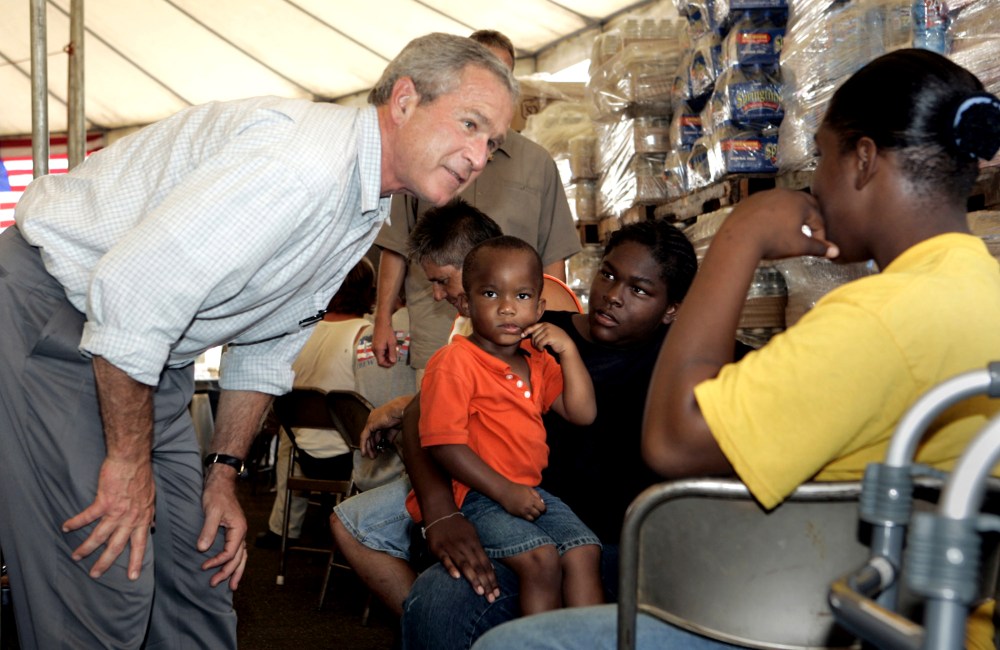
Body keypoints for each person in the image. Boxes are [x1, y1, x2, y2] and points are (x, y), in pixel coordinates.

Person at [0, 32, 516, 650]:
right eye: (469, 124)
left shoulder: (361, 200)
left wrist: (221, 475)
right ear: (404, 100)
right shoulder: (300, 165)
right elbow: (131, 290)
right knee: (108, 578)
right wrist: (127, 463)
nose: (479, 155)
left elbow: (268, 345)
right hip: (56, 321)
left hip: (144, 353)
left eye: (492, 142)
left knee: (202, 573)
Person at [471, 48, 1000, 650]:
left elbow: (672, 443)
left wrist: (739, 236)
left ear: (862, 160)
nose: (815, 185)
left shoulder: (879, 320)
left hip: (840, 624)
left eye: (820, 159)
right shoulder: (983, 290)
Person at [401, 219, 717, 649]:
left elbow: (581, 411)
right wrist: (441, 513)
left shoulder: (698, 363)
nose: (613, 297)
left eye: (640, 291)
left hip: (612, 542)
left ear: (672, 308)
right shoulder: (528, 332)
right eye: (607, 274)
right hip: (510, 511)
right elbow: (429, 415)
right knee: (441, 597)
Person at [371, 29, 581, 378]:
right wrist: (382, 320)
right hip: (436, 328)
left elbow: (552, 259)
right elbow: (395, 246)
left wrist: (551, 327)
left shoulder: (538, 162)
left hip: (512, 339)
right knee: (438, 421)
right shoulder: (425, 149)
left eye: (503, 75)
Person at [330, 198, 505, 617]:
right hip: (459, 468)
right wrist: (403, 406)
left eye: (443, 281)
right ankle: (428, 624)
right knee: (348, 521)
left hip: (491, 476)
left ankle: (435, 625)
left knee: (357, 523)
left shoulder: (511, 315)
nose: (439, 295)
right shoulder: (465, 323)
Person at [410, 236, 600, 616]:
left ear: (541, 307)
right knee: (541, 561)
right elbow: (442, 445)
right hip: (479, 495)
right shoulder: (455, 362)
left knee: (584, 551)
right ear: (465, 304)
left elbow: (583, 413)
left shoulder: (538, 361)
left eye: (523, 296)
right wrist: (505, 490)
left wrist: (569, 351)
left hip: (527, 490)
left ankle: (585, 642)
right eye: (492, 294)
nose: (509, 308)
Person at [255, 259, 376, 550]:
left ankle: (282, 528)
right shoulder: (367, 334)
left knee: (289, 431)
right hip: (350, 456)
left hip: (305, 453)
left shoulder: (299, 334)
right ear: (368, 292)